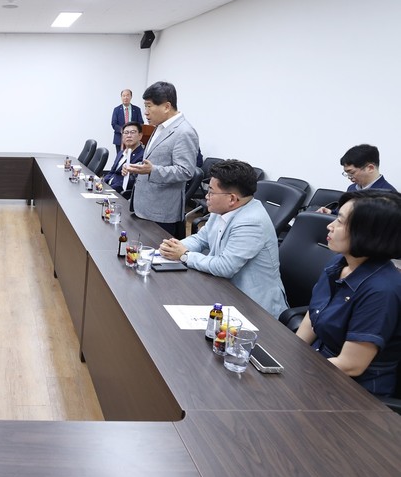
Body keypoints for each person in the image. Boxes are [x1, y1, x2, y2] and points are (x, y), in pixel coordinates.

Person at [297, 190, 401, 396]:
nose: (330, 225)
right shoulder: (340, 262)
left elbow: (351, 365)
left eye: (341, 222)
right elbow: (314, 313)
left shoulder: (382, 290)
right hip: (320, 363)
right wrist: (289, 352)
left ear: (369, 233)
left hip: (353, 391)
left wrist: (296, 374)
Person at [159, 160, 289, 318]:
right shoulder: (222, 209)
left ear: (232, 199)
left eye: (211, 192)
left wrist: (185, 255)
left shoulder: (252, 222)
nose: (206, 196)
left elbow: (225, 267)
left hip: (254, 308)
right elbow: (201, 239)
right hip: (223, 290)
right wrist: (174, 246)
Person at [126, 81, 199, 238]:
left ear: (166, 106)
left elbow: (186, 171)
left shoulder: (184, 132)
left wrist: (152, 170)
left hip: (161, 212)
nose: (146, 112)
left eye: (149, 106)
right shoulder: (159, 127)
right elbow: (155, 160)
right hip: (143, 206)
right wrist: (137, 167)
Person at [317, 144, 396, 214]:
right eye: (347, 173)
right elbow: (345, 214)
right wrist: (331, 212)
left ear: (370, 168)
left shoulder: (389, 197)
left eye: (351, 172)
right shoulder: (352, 188)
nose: (349, 177)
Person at [103, 121, 145, 198]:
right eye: (126, 133)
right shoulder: (121, 153)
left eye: (132, 132)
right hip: (108, 189)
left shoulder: (142, 155)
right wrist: (102, 183)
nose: (129, 135)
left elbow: (130, 182)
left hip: (120, 194)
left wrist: (108, 190)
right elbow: (112, 172)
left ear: (140, 136)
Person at [111, 89, 143, 153]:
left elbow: (140, 122)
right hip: (120, 138)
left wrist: (134, 131)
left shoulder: (137, 109)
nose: (125, 97)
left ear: (131, 97)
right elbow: (114, 123)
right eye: (124, 96)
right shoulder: (116, 109)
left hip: (133, 137)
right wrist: (123, 131)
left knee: (133, 155)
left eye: (127, 95)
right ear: (121, 97)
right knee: (120, 156)